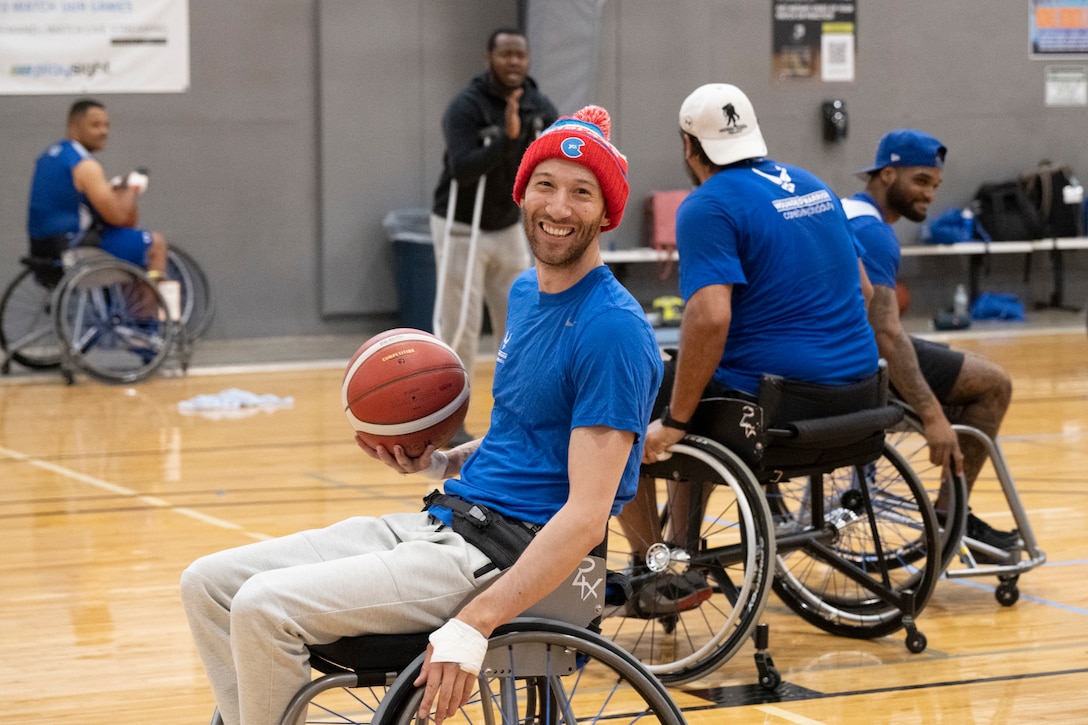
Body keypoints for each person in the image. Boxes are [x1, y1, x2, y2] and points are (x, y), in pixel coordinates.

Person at [180, 105, 662, 725]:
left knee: (263, 608)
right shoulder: (524, 293)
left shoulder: (612, 331)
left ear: (606, 212)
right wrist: (444, 458)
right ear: (523, 193)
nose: (559, 208)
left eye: (581, 193)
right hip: (451, 519)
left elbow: (585, 514)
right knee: (208, 584)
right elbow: (527, 436)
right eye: (545, 185)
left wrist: (476, 620)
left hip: (507, 553)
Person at [614, 83, 880, 615]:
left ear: (690, 146)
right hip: (864, 396)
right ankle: (684, 545)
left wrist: (676, 422)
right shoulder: (814, 186)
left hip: (779, 406)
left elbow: (710, 317)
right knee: (695, 385)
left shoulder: (707, 205)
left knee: (620, 402)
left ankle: (652, 565)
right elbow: (866, 293)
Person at [842, 129, 1017, 559]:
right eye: (921, 181)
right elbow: (885, 332)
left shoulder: (845, 210)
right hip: (855, 362)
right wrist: (932, 413)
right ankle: (949, 516)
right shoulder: (874, 231)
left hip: (828, 348)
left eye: (935, 185)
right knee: (993, 384)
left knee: (967, 369)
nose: (929, 195)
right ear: (886, 174)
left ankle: (949, 510)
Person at [430, 28, 559, 444]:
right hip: (462, 227)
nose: (514, 62)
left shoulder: (541, 107)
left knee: (521, 326)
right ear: (490, 57)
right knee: (460, 328)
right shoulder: (465, 108)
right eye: (505, 54)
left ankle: (521, 415)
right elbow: (463, 169)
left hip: (507, 226)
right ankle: (449, 421)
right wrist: (506, 138)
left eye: (520, 54)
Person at [27, 98, 168, 278]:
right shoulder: (84, 165)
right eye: (95, 125)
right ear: (74, 126)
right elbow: (118, 218)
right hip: (74, 250)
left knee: (122, 241)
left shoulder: (48, 157)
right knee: (155, 243)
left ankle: (129, 303)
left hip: (42, 249)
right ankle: (155, 306)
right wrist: (132, 187)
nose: (104, 131)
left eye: (106, 125)